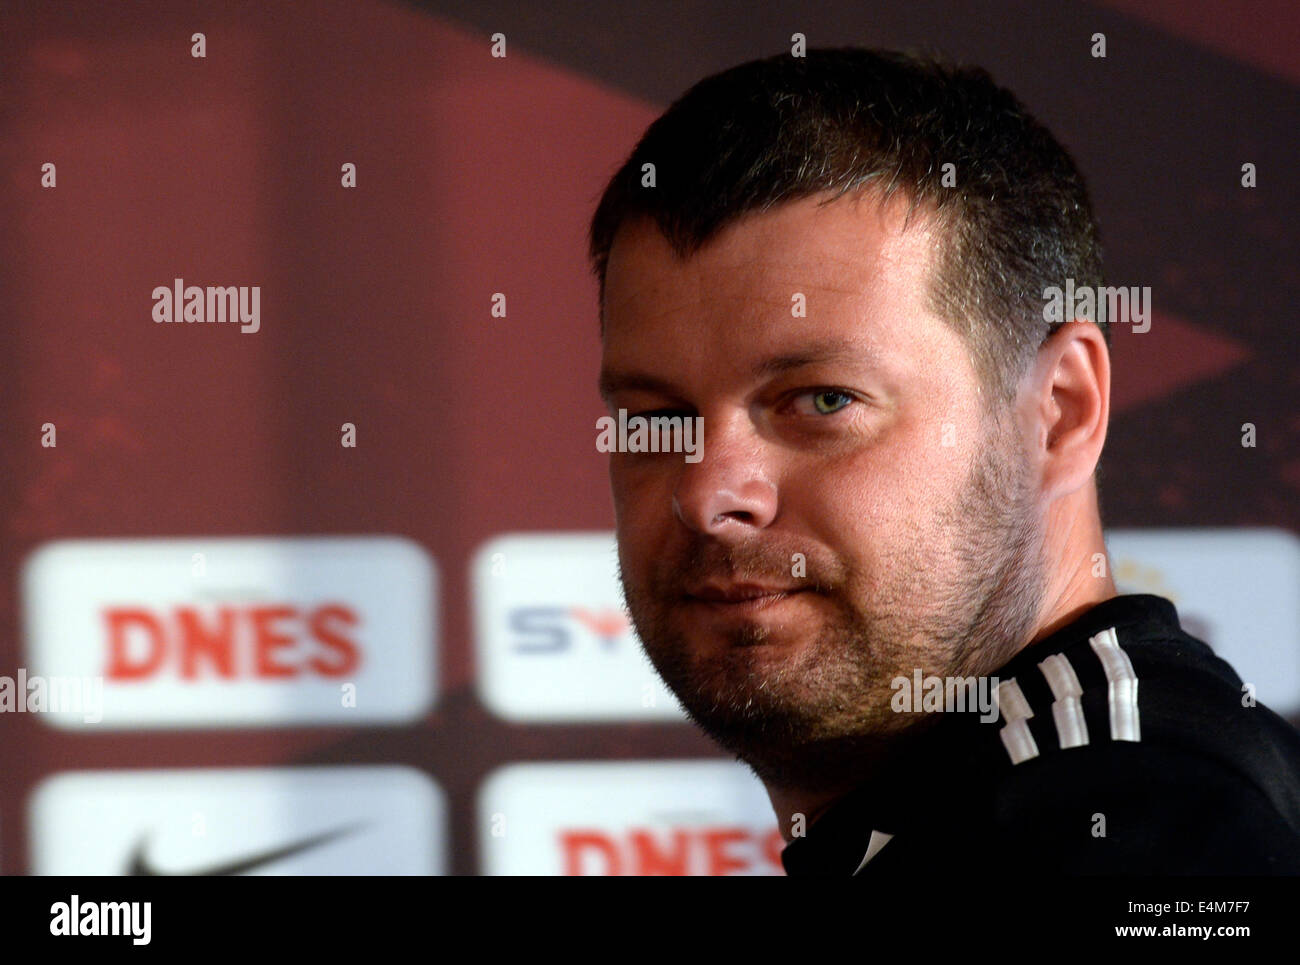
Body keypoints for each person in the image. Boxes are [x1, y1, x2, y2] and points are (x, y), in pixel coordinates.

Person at [587, 47, 1300, 874]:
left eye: (823, 400)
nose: (708, 491)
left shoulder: (1132, 818)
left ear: (1061, 413)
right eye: (657, 418)